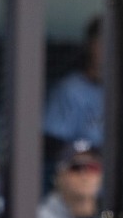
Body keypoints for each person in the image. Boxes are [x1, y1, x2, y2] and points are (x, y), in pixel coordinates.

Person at [42, 15, 103, 151]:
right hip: (81, 168)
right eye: (102, 42)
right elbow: (52, 143)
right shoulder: (70, 89)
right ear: (90, 45)